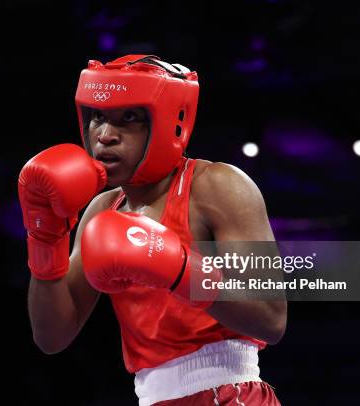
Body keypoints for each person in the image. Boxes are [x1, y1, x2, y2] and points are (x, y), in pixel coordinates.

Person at [18, 55, 287, 405]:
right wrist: (46, 236)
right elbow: (51, 337)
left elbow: (271, 317)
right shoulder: (102, 209)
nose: (105, 136)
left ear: (168, 124)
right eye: (98, 116)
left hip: (228, 393)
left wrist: (176, 268)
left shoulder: (218, 186)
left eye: (128, 118)